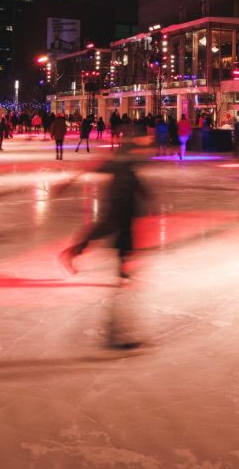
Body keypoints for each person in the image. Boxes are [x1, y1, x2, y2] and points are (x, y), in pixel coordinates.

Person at [58, 137, 151, 350]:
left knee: (119, 242)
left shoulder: (128, 166)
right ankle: (114, 333)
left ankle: (119, 272)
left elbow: (138, 185)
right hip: (119, 214)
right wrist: (66, 183)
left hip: (125, 216)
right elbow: (90, 167)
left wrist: (147, 198)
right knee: (108, 235)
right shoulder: (119, 164)